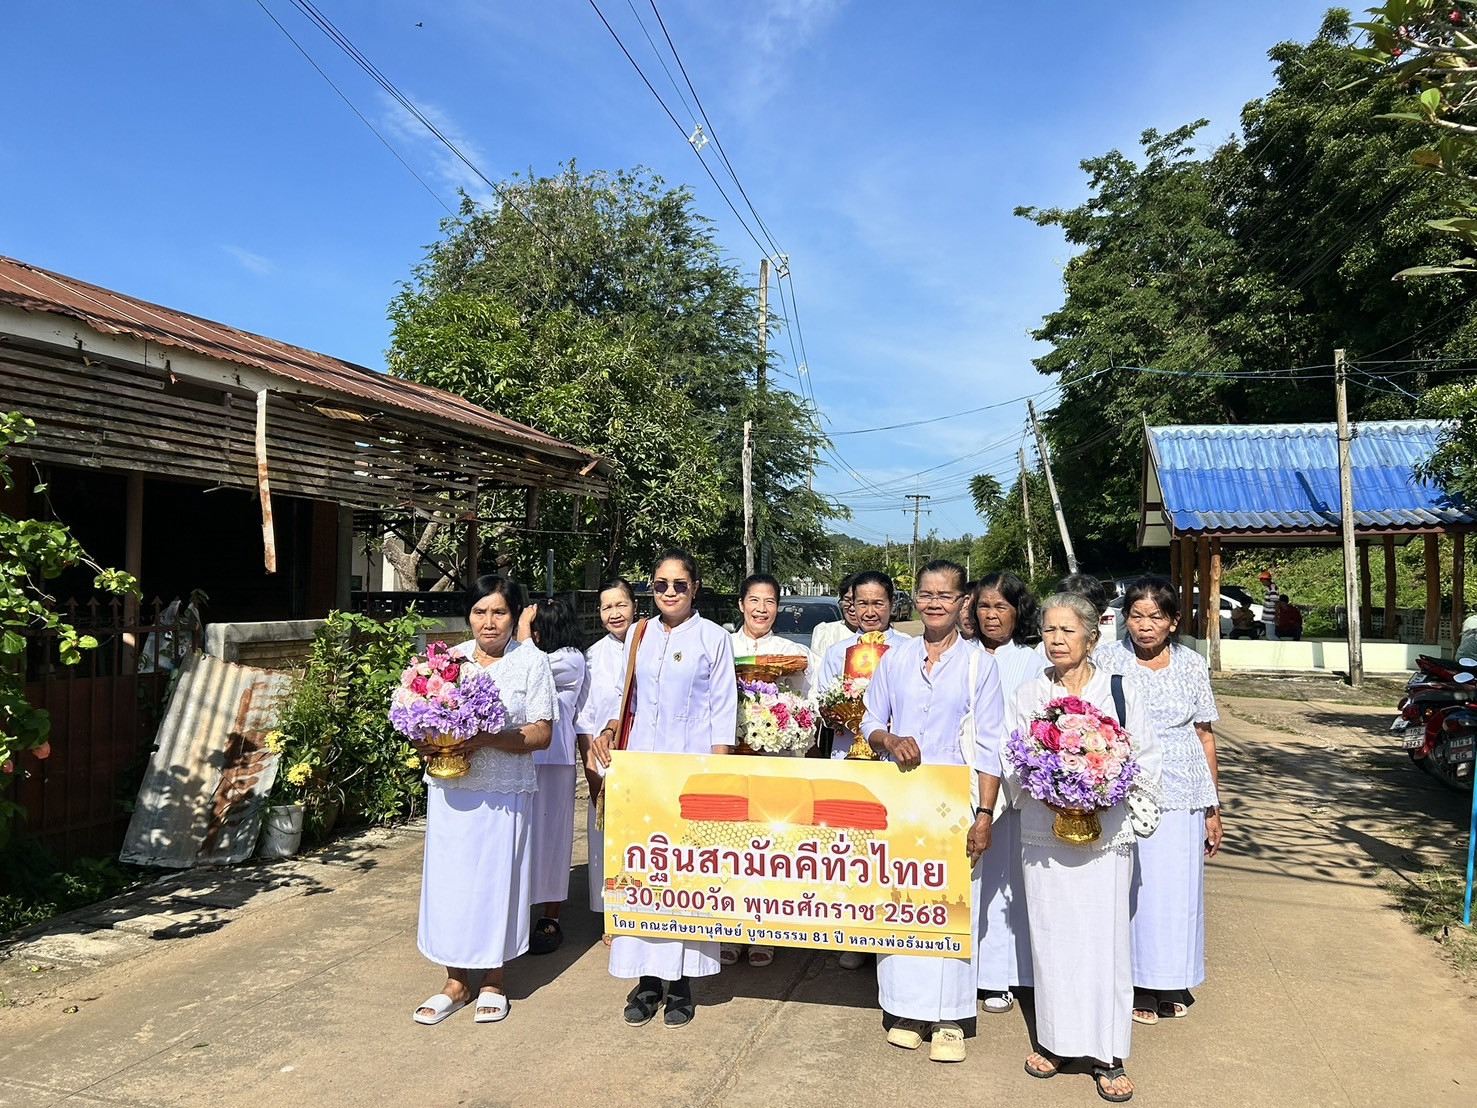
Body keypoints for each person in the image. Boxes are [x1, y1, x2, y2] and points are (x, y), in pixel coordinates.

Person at [1006, 592, 1162, 1103]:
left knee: (1104, 939)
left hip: (1106, 834)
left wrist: (1104, 785)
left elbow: (1146, 755)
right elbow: (1014, 758)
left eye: (1067, 631)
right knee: (1051, 935)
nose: (1056, 640)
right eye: (1049, 630)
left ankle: (1107, 1052)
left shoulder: (1119, 690)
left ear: (1092, 636)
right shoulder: (1029, 693)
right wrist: (1050, 784)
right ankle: (1054, 1041)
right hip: (1045, 833)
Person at [862, 559, 1005, 1064]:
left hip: (957, 804)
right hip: (900, 801)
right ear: (914, 599)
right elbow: (869, 720)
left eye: (946, 595)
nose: (935, 603)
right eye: (926, 594)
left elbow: (991, 747)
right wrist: (889, 738)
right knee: (900, 900)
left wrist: (984, 814)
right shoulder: (895, 659)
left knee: (953, 905)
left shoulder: (977, 665)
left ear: (962, 600)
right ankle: (906, 1009)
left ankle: (950, 1017)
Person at [589, 549, 737, 1029]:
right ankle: (647, 981)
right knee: (644, 871)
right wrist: (610, 731)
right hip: (640, 775)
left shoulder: (713, 638)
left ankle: (684, 984)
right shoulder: (638, 633)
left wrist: (717, 775)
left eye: (679, 584)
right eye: (660, 584)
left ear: (695, 588)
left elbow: (723, 710)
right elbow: (625, 698)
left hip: (690, 774)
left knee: (687, 876)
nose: (669, 592)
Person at [413, 575, 556, 1027]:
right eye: (479, 611)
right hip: (451, 788)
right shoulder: (445, 663)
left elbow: (542, 732)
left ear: (514, 617)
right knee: (450, 883)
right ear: (468, 615)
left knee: (498, 883)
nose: (488, 622)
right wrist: (430, 739)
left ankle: (494, 979)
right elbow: (418, 720)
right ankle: (455, 981)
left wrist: (484, 739)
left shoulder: (531, 662)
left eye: (499, 612)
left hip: (503, 791)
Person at [1094, 577, 1222, 1029]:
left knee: (1175, 890)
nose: (1144, 626)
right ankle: (1136, 981)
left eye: (1155, 618)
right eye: (1136, 615)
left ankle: (1171, 979)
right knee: (1132, 888)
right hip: (1126, 785)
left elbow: (1204, 734)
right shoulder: (1106, 660)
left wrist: (1213, 808)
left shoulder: (1191, 664)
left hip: (1184, 787)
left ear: (1173, 622)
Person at [971, 571, 1047, 1015]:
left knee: (1008, 884)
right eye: (983, 606)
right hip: (972, 783)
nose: (992, 615)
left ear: (1019, 611)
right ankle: (974, 969)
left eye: (1001, 606)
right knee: (975, 879)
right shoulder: (961, 656)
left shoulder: (1032, 660)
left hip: (1015, 787)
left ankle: (1004, 976)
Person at [518, 596, 588, 956]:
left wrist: (523, 630)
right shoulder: (537, 655)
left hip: (556, 762)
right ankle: (521, 908)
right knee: (524, 837)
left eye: (537, 626)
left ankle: (552, 915)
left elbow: (533, 667)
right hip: (524, 756)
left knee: (553, 839)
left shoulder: (570, 660)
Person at [574, 578, 637, 945]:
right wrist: (591, 771)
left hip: (644, 758)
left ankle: (642, 911)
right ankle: (613, 917)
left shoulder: (650, 644)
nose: (614, 613)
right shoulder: (592, 657)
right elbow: (584, 719)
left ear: (634, 606)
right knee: (606, 842)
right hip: (605, 763)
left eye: (621, 605)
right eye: (606, 607)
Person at [818, 570, 911, 767]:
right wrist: (829, 716)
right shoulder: (836, 652)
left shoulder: (909, 648)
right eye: (862, 603)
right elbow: (823, 698)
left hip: (896, 757)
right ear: (853, 605)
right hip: (846, 752)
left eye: (878, 603)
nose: (869, 613)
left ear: (892, 603)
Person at [810, 573, 860, 659]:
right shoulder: (826, 632)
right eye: (847, 600)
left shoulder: (882, 636)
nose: (852, 608)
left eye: (859, 602)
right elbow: (817, 668)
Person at [1260, 570, 1279, 641]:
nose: (1262, 583)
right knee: (1269, 635)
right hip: (1268, 616)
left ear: (1265, 580)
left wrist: (1276, 616)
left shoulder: (1272, 588)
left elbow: (1276, 603)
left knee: (1270, 636)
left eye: (1262, 581)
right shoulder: (1269, 588)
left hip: (1271, 616)